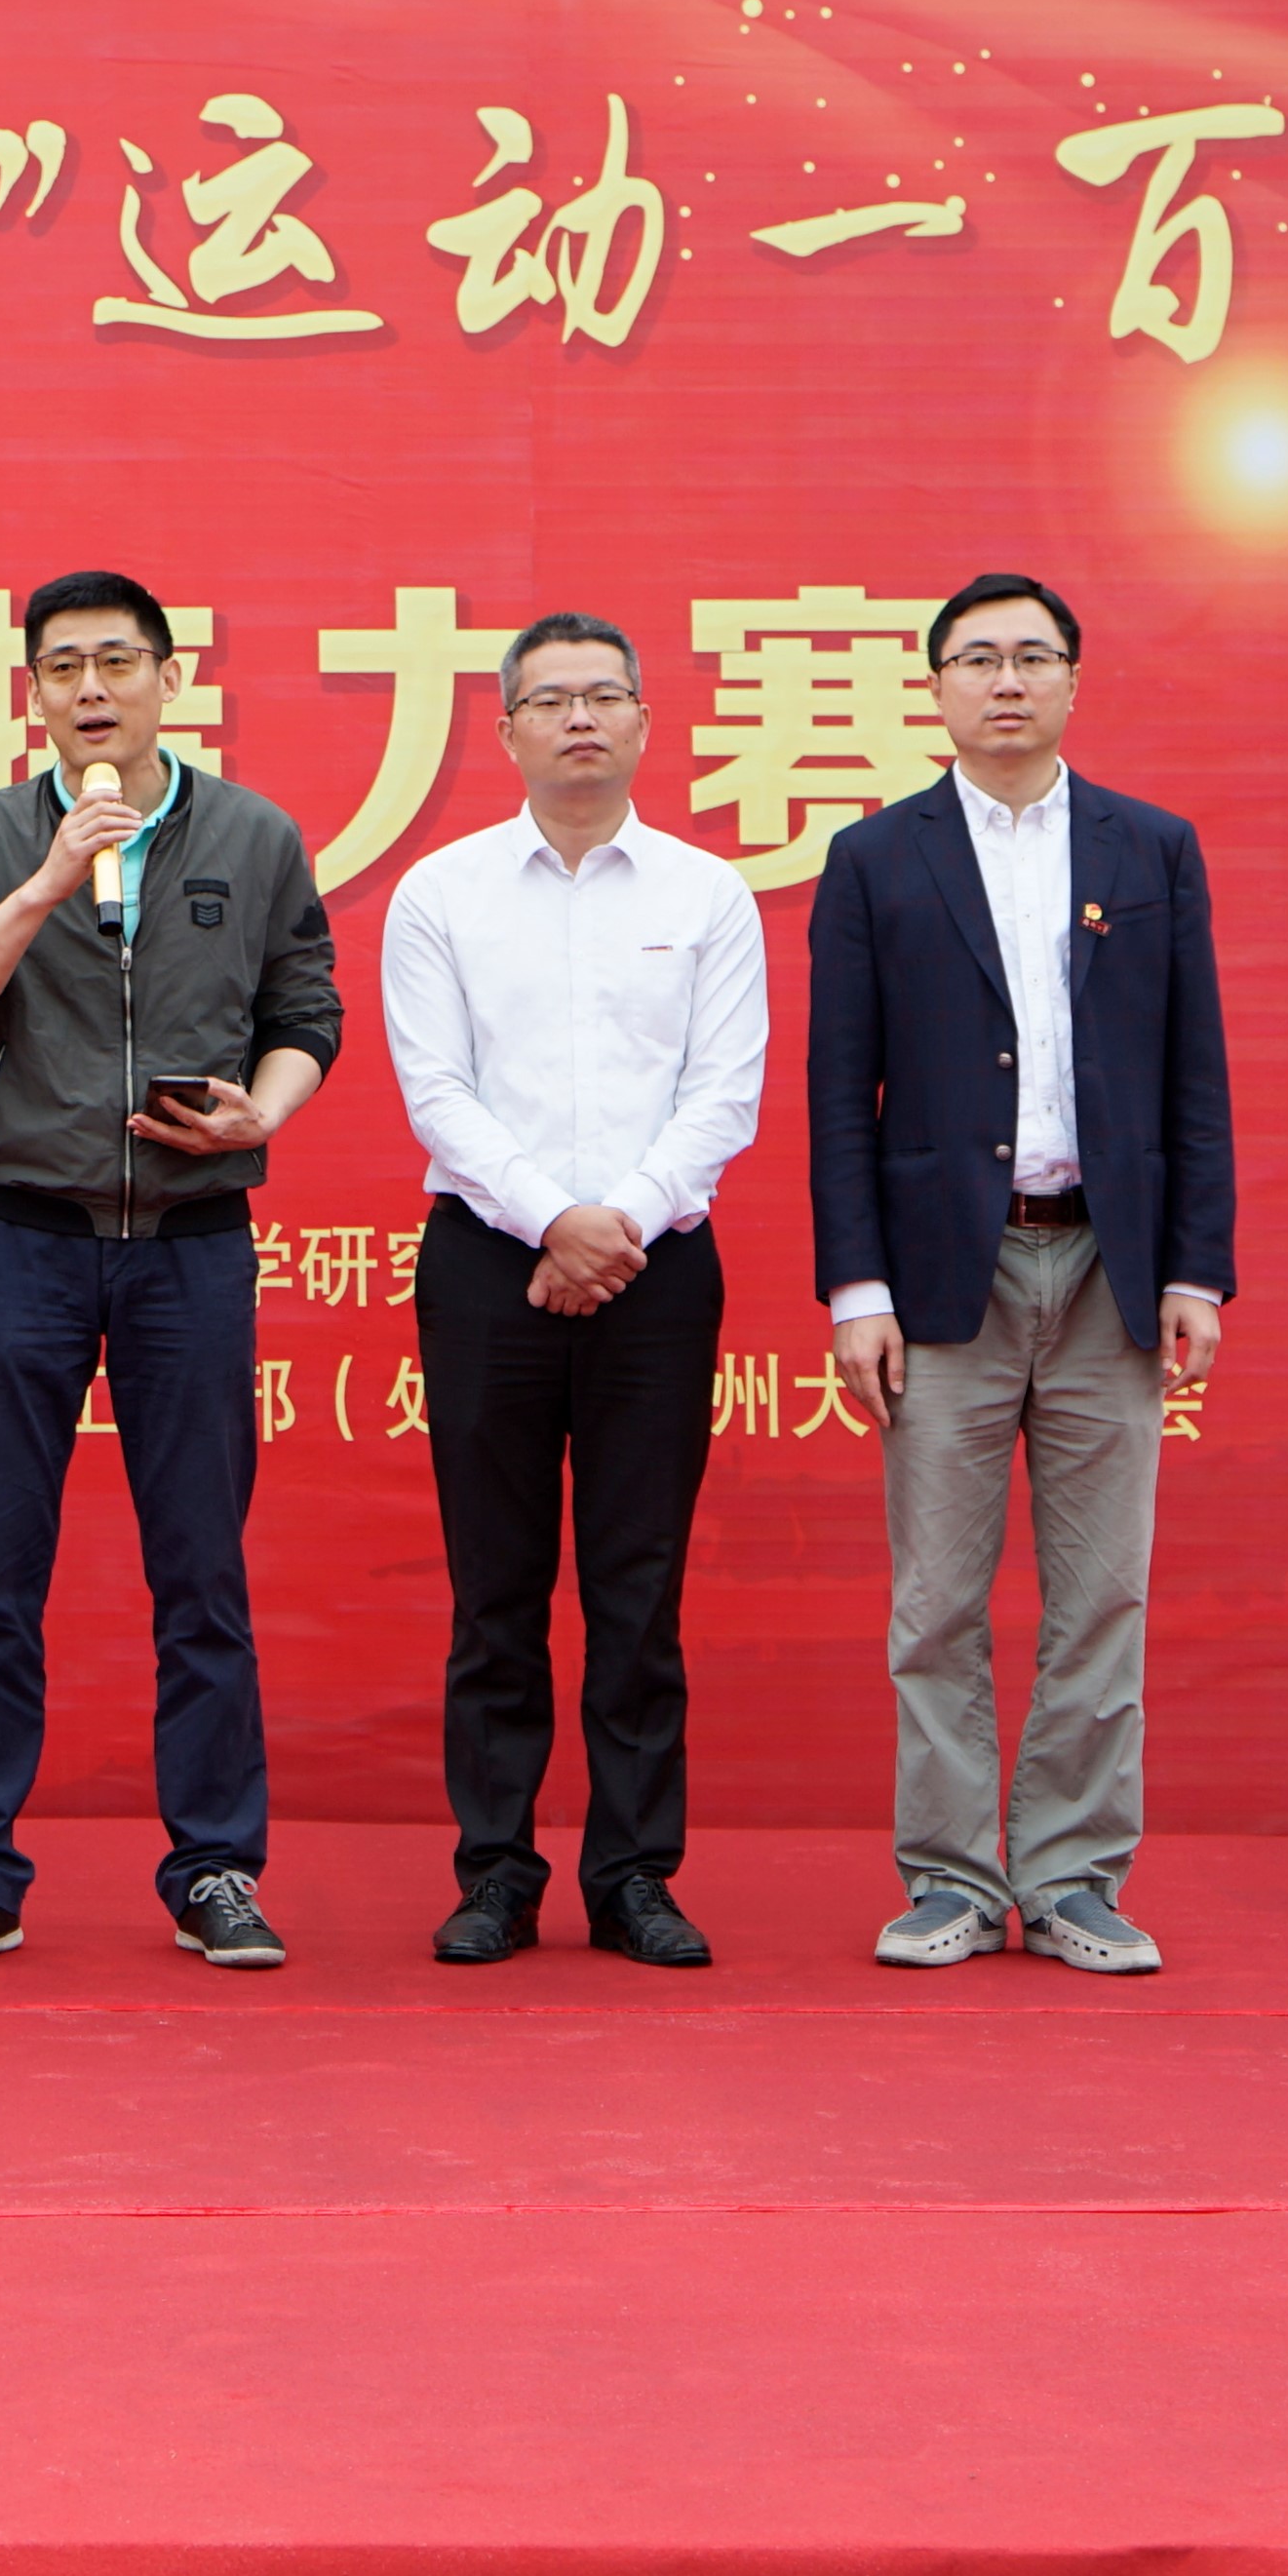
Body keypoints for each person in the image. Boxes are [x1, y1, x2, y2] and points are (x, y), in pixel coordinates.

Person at [0, 568, 346, 1975]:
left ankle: (215, 1868)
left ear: (169, 678)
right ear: (31, 692)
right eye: (64, 668)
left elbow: (307, 1009)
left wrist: (267, 1112)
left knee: (202, 1574)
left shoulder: (254, 837)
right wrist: (46, 880)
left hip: (191, 1248)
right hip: (22, 1240)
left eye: (118, 663)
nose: (93, 690)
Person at [804, 573, 1234, 1978]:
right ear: (934, 687)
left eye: (1033, 658)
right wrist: (857, 1293)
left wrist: (1197, 1270)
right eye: (979, 659)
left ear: (1072, 682)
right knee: (937, 1601)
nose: (1007, 681)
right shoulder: (876, 857)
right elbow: (838, 1095)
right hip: (947, 1276)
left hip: (1113, 1264)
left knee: (1102, 1594)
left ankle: (1071, 1880)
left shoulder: (1149, 847)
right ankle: (945, 1876)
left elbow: (1193, 1076)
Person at [379, 610, 768, 1970]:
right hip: (489, 1263)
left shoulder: (707, 895)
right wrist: (555, 1220)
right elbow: (436, 1089)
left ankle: (634, 1876)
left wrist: (620, 1225)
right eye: (551, 700)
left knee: (636, 1586)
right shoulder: (442, 892)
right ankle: (496, 1871)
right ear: (505, 732)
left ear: (647, 723)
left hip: (659, 1270)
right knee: (496, 1586)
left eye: (606, 695)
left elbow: (725, 1095)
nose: (581, 718)